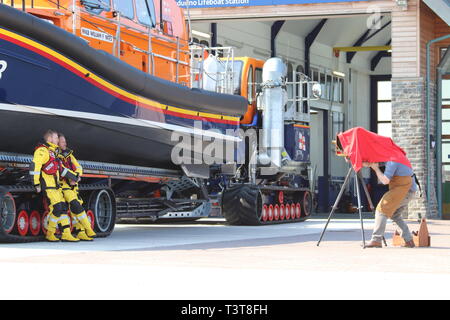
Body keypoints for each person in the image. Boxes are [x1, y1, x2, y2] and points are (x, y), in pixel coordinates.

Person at [30, 130, 79, 242]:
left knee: (62, 209)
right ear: (50, 139)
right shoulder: (42, 151)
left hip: (56, 187)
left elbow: (61, 169)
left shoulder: (53, 152)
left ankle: (66, 234)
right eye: (56, 138)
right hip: (48, 187)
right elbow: (35, 167)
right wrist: (36, 184)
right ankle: (50, 233)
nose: (58, 140)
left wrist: (75, 177)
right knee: (57, 209)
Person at [364, 161, 418, 248]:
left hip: (404, 190)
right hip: (409, 191)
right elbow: (381, 163)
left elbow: (385, 181)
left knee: (381, 209)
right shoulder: (396, 157)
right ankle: (409, 240)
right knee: (394, 214)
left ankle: (376, 240)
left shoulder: (392, 161)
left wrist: (376, 169)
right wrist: (367, 164)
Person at [58, 133, 97, 240]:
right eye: (62, 141)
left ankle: (81, 231)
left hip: (73, 187)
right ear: (57, 143)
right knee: (75, 206)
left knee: (77, 208)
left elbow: (78, 166)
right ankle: (87, 228)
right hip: (64, 186)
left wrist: (77, 175)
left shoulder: (69, 155)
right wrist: (74, 177)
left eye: (65, 141)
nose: (65, 143)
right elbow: (61, 169)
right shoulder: (56, 155)